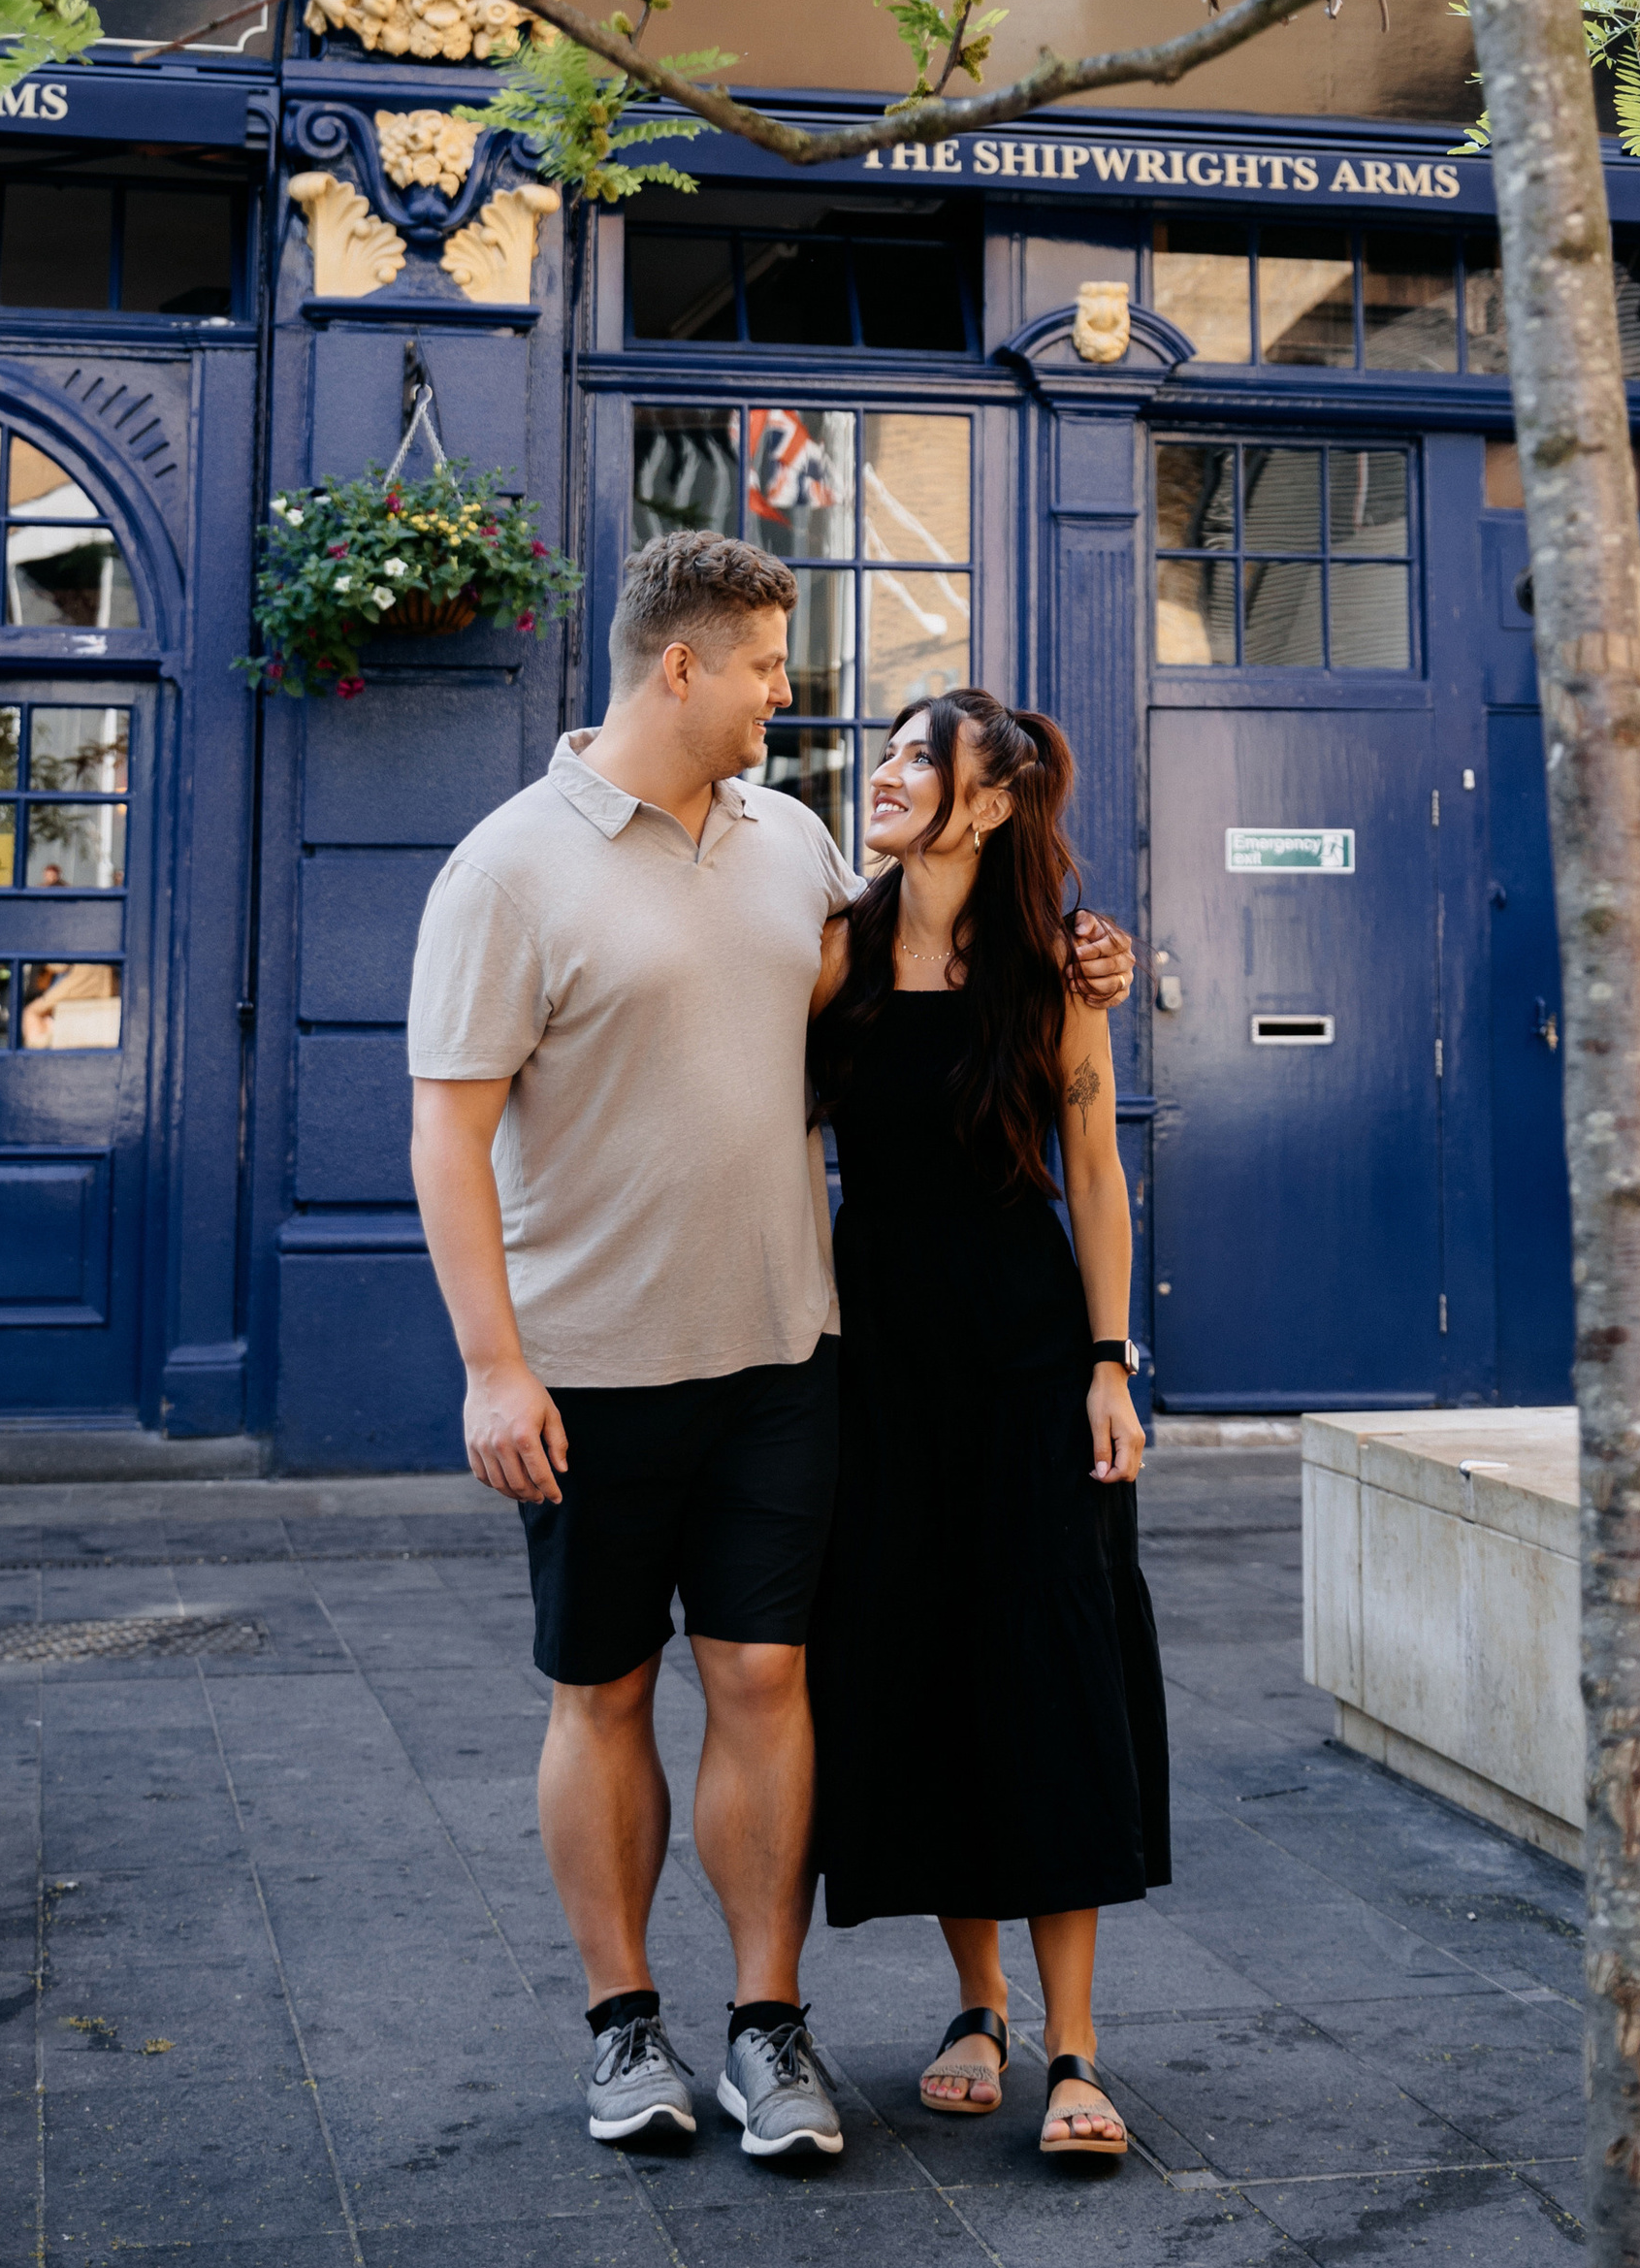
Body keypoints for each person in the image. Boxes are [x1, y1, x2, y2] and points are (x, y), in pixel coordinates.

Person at [405, 533, 1135, 2165]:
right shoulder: (508, 868)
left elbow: (932, 988)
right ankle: (620, 2028)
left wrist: (1086, 958)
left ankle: (766, 2023)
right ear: (684, 666)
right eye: (763, 668)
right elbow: (446, 1138)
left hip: (789, 1357)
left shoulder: (795, 842)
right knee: (603, 1693)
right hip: (585, 1370)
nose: (785, 697)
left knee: (766, 1676)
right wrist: (492, 1364)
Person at [805, 691, 1171, 2160]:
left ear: (995, 799)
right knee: (923, 1655)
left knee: (1049, 1659)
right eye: (885, 753)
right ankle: (978, 2004)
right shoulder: (832, 950)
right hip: (878, 1354)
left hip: (1031, 1352)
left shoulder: (1058, 968)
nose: (887, 774)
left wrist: (1107, 1362)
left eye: (919, 758)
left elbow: (1095, 1171)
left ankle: (1077, 2044)